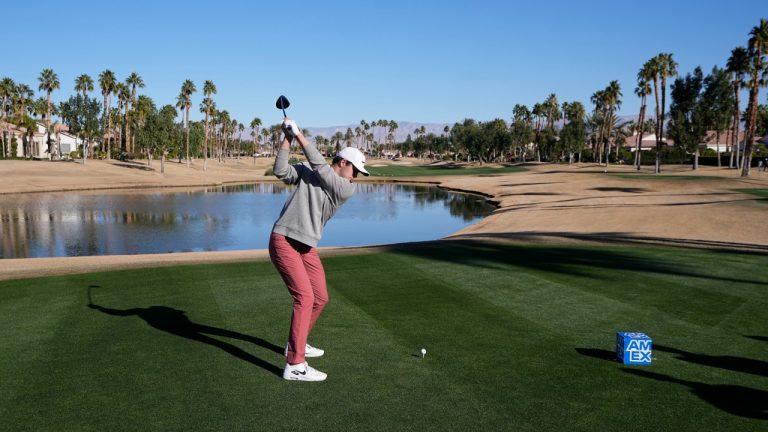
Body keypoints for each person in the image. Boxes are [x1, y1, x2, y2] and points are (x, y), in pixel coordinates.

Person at [269, 117, 369, 381]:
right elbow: (280, 170)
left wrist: (300, 135)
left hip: (306, 246)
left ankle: (296, 344)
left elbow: (322, 169)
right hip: (285, 240)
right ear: (343, 163)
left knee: (320, 298)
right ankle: (295, 365)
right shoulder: (309, 172)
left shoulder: (344, 189)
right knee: (305, 298)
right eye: (355, 170)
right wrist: (288, 138)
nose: (356, 177)